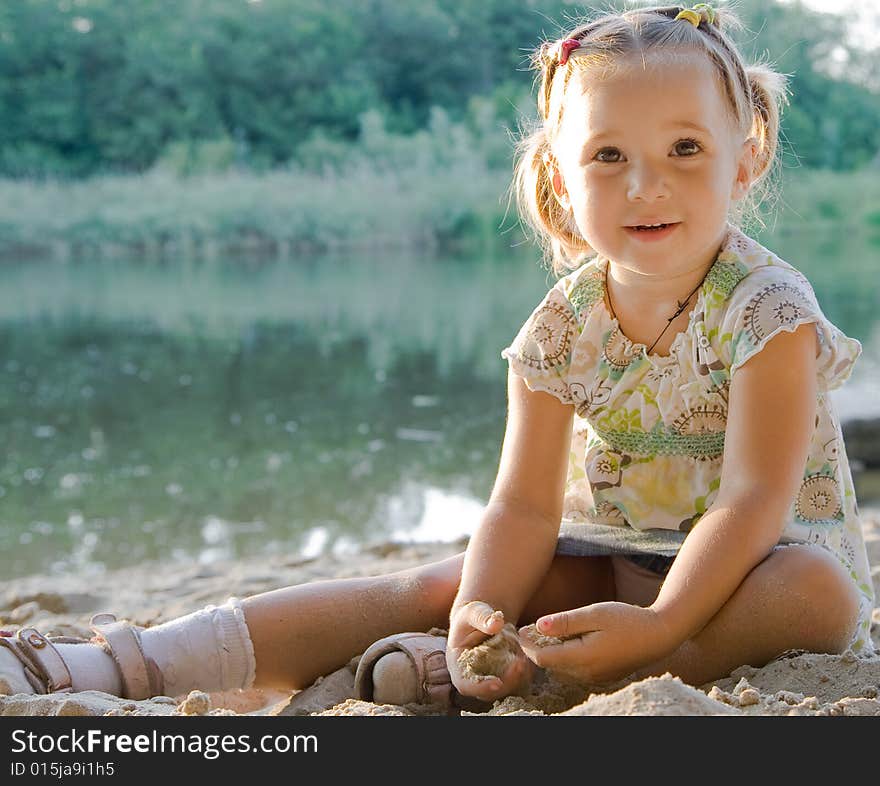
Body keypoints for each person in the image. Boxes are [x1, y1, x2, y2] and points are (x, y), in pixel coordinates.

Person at [1, 3, 874, 709]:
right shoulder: (561, 325)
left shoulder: (767, 308)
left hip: (745, 577)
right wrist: (473, 613)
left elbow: (754, 498)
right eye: (609, 155)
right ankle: (121, 663)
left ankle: (562, 674)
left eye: (685, 149)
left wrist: (667, 620)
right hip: (611, 557)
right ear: (562, 179)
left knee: (817, 593)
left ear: (745, 156)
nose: (648, 184)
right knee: (437, 584)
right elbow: (524, 509)